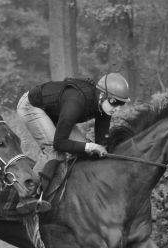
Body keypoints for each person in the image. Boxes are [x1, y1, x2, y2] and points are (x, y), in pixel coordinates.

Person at [15, 72, 130, 213]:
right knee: (55, 151)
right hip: (32, 106)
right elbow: (59, 143)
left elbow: (102, 142)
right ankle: (26, 196)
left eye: (121, 104)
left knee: (85, 152)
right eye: (115, 102)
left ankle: (70, 195)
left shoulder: (105, 109)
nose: (117, 108)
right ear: (102, 95)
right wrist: (88, 146)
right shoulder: (76, 101)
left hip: (57, 111)